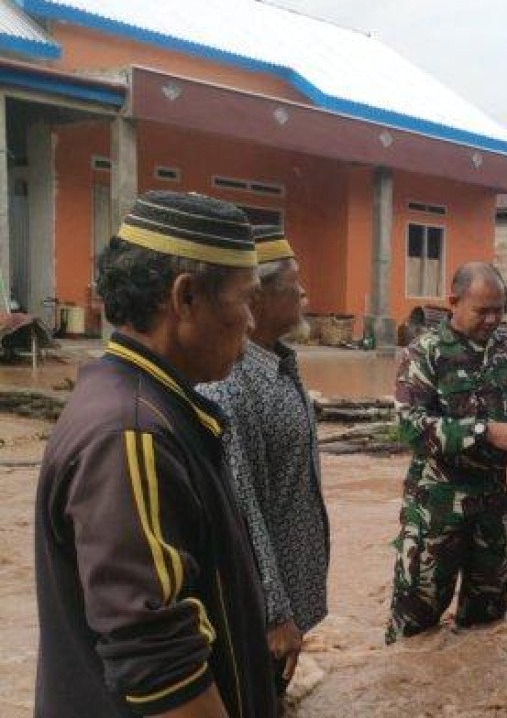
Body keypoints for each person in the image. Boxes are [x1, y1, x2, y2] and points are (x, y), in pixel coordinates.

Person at [33, 191, 275, 716]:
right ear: (186, 297)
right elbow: (162, 667)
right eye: (246, 300)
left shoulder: (153, 406)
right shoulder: (132, 434)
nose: (253, 324)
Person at [385, 262, 507, 642]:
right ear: (454, 302)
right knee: (414, 630)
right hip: (436, 512)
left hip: (498, 509)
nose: (492, 319)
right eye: (482, 310)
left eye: (498, 309)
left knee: (487, 628)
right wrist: (485, 432)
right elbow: (412, 427)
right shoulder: (424, 354)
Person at [198, 225, 330, 706]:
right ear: (261, 297)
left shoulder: (276, 365)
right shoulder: (233, 380)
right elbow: (242, 503)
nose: (303, 293)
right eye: (294, 284)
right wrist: (274, 612)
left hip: (283, 602)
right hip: (259, 613)